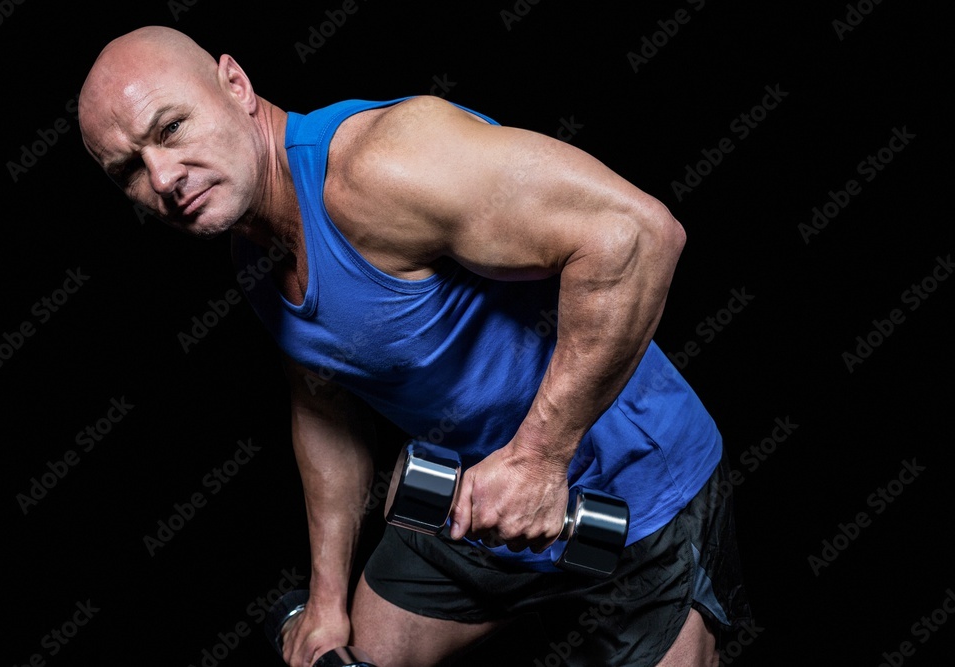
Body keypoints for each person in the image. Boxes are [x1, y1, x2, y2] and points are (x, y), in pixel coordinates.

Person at [78, 25, 751, 667]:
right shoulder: (253, 248)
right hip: (476, 502)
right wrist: (324, 602)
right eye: (129, 170)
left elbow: (636, 236)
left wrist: (539, 456)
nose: (164, 177)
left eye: (170, 128)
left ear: (234, 83)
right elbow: (324, 406)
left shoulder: (381, 166)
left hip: (638, 493)